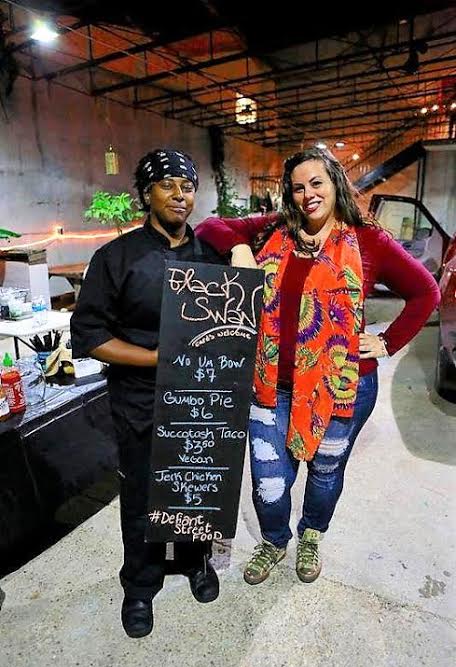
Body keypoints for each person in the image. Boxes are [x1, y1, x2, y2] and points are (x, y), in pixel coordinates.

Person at [195, 146, 441, 586]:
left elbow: (426, 293)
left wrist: (386, 342)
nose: (308, 194)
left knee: (325, 473)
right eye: (298, 187)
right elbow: (210, 226)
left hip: (342, 387)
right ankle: (274, 539)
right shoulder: (273, 229)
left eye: (316, 183)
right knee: (269, 479)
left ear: (335, 184)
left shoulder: (368, 240)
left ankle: (311, 534)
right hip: (272, 384)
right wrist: (238, 247)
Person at [71, 149, 224, 638]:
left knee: (196, 491)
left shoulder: (212, 258)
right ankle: (140, 584)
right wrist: (160, 359)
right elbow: (91, 336)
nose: (180, 194)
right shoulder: (115, 258)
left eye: (187, 186)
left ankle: (195, 562)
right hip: (140, 402)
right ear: (146, 193)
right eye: (168, 184)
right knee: (141, 496)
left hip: (202, 402)